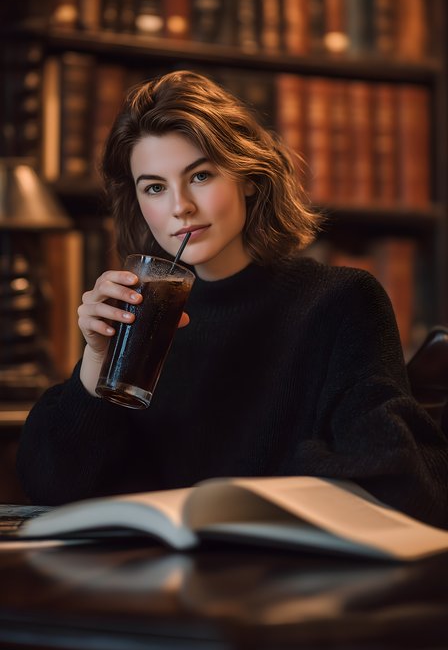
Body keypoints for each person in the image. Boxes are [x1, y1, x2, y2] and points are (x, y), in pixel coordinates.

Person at [17, 70, 448, 527]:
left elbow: (401, 480)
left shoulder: (340, 301)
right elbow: (51, 488)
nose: (180, 206)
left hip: (276, 564)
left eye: (200, 175)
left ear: (248, 177)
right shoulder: (141, 313)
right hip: (152, 563)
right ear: (139, 201)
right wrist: (95, 365)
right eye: (155, 187)